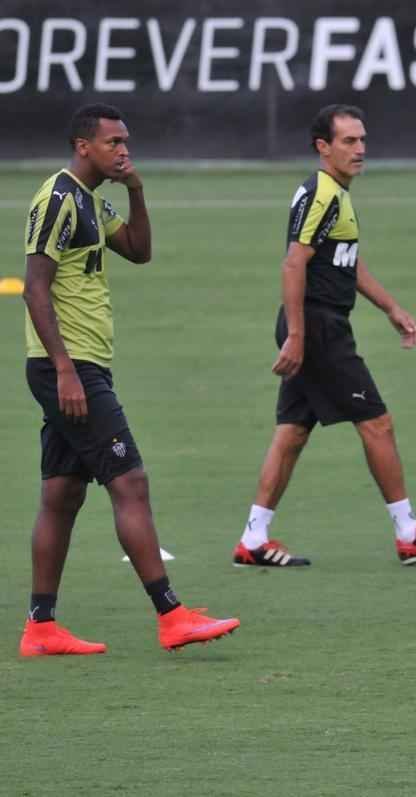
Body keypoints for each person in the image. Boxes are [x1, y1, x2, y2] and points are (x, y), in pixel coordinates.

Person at [20, 103, 240, 656]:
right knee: (130, 482)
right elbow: (34, 289)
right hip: (69, 367)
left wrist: (137, 190)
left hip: (81, 365)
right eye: (113, 142)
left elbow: (139, 252)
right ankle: (171, 616)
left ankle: (40, 628)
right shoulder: (59, 199)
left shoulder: (95, 199)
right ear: (82, 145)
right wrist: (66, 371)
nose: (124, 149)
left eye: (127, 142)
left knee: (62, 493)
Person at [232, 104, 416, 568]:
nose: (360, 149)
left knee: (292, 432)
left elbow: (345, 262)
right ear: (323, 147)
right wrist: (298, 335)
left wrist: (390, 307)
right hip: (318, 327)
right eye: (348, 141)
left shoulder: (335, 194)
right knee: (376, 422)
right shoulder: (322, 192)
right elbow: (294, 263)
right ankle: (408, 530)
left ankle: (254, 539)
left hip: (318, 323)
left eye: (362, 140)